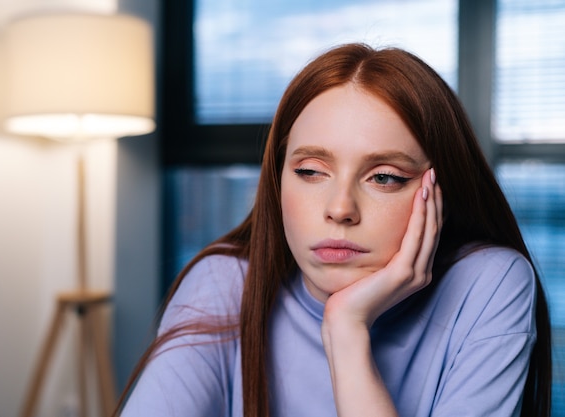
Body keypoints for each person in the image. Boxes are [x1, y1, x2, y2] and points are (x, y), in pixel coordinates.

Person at [117, 43, 551, 417]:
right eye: (310, 171)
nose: (340, 209)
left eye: (383, 177)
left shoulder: (489, 285)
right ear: (277, 179)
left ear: (441, 190)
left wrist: (346, 331)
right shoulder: (225, 281)